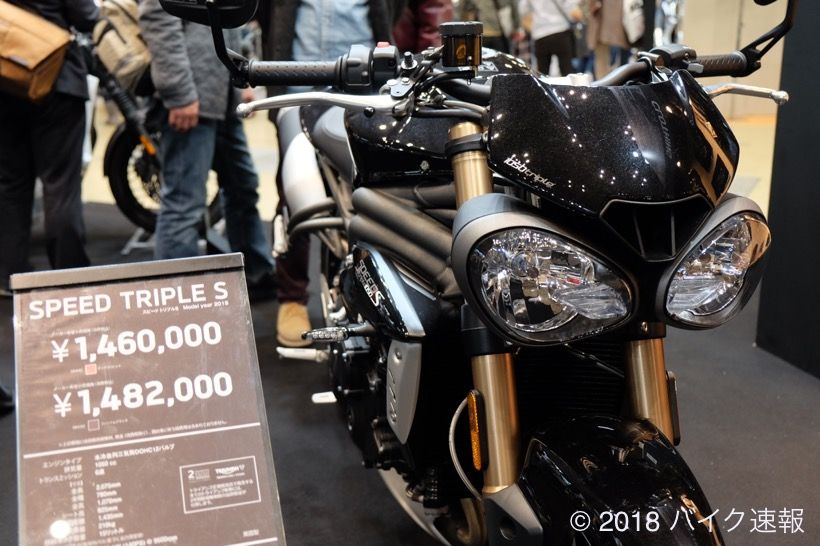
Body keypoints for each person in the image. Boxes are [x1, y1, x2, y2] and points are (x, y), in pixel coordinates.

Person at [138, 0, 275, 298]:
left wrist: (242, 75)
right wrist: (179, 94)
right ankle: (176, 298)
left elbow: (228, 18)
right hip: (191, 99)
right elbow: (158, 20)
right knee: (184, 203)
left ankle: (255, 274)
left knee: (243, 187)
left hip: (220, 96)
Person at [0, 0, 98, 296]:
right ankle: (69, 276)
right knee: (60, 185)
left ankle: (10, 275)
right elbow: (87, 17)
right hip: (55, 77)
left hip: (6, 78)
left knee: (11, 184)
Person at [519, 0, 582, 76]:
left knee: (542, 73)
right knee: (567, 71)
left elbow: (523, 10)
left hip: (540, 34)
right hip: (561, 30)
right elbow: (570, 6)